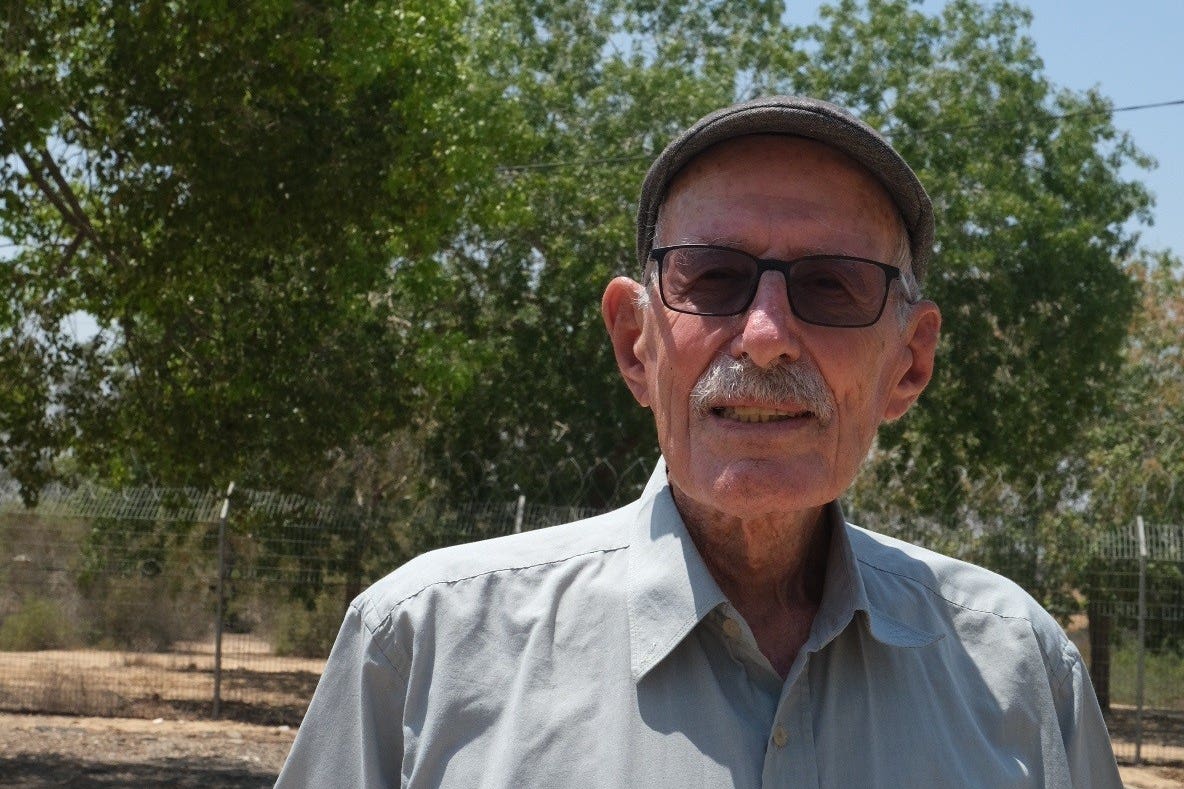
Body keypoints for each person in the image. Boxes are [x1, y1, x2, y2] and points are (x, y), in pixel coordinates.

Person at [275, 96, 1120, 788]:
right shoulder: (423, 647)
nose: (766, 336)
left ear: (910, 363)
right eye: (713, 278)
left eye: (832, 285)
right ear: (634, 343)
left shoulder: (1021, 673)